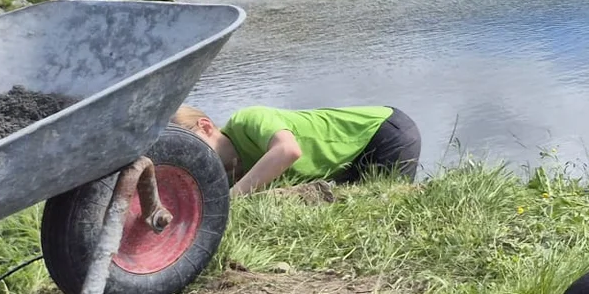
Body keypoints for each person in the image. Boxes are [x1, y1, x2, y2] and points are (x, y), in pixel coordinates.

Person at [174, 104, 421, 197]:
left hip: (383, 132)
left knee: (391, 202)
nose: (189, 157)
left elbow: (288, 150)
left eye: (189, 144)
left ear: (206, 127)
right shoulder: (230, 173)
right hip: (349, 162)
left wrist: (233, 197)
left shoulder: (247, 120)